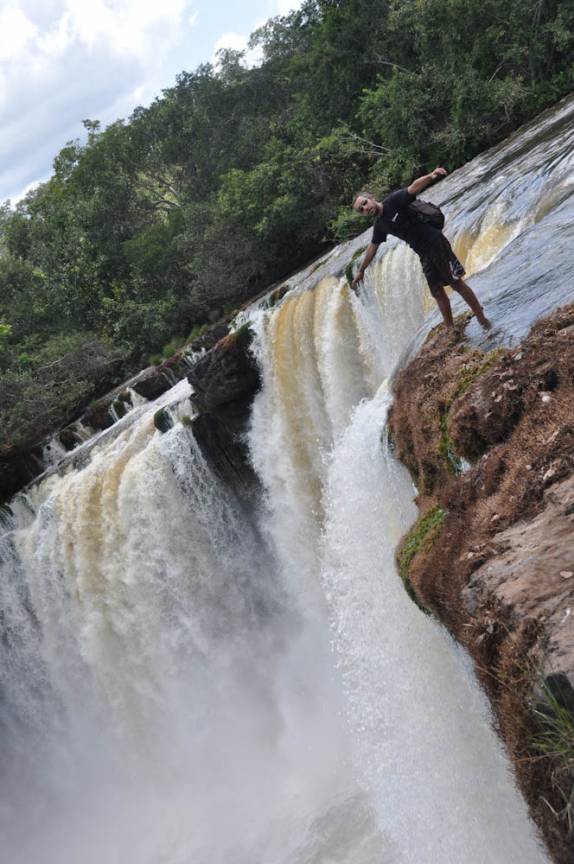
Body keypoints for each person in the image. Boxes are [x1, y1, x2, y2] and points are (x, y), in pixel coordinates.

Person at [351, 167, 491, 330]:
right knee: (436, 291)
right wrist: (361, 270)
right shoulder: (380, 226)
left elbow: (413, 188)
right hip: (423, 253)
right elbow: (372, 248)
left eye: (364, 203)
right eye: (361, 209)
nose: (365, 208)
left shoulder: (393, 201)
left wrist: (431, 176)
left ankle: (482, 319)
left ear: (372, 198)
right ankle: (450, 328)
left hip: (435, 242)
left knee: (455, 283)